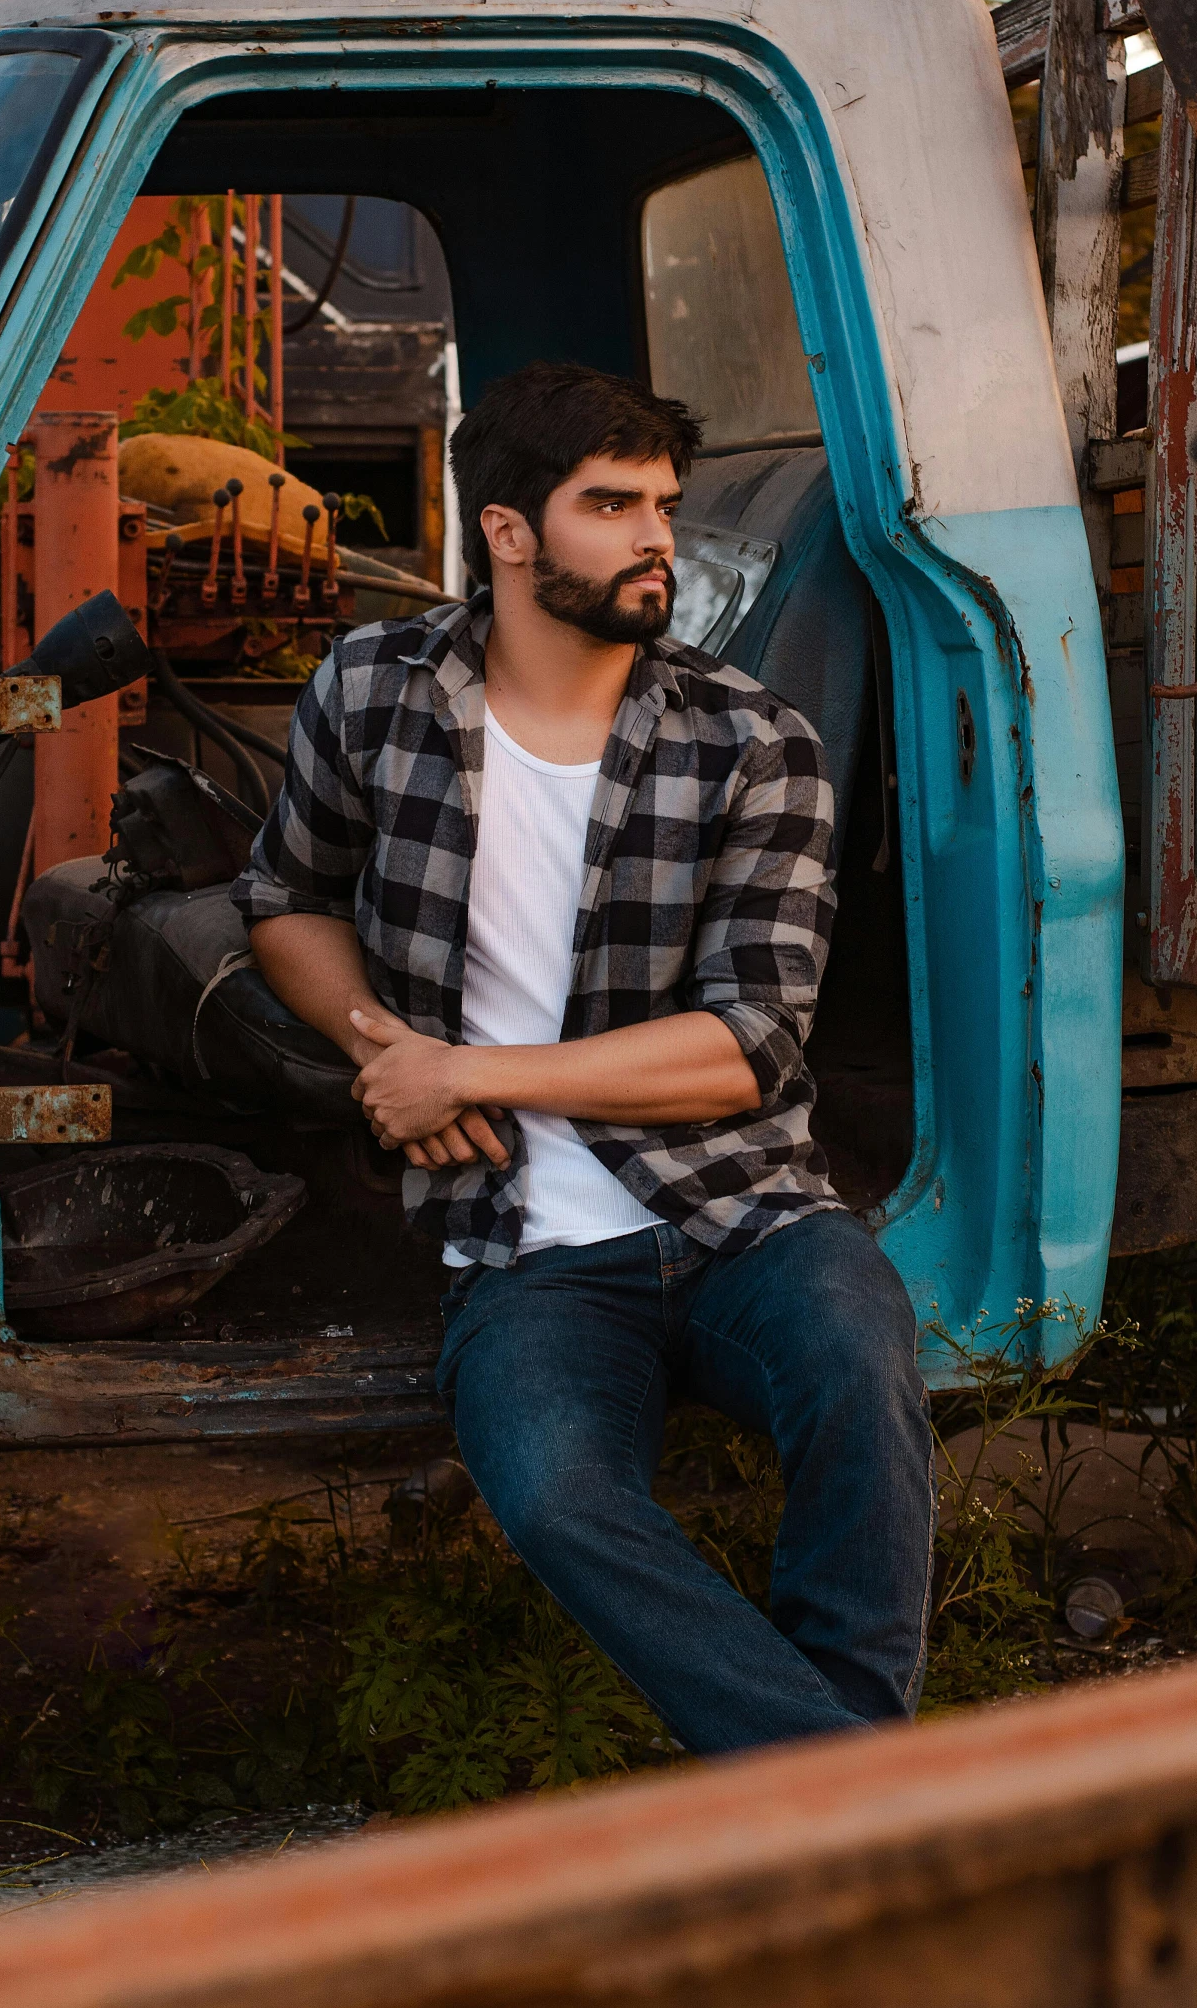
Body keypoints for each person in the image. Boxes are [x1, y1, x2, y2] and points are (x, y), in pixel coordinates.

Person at [231, 361, 933, 1755]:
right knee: (555, 1492)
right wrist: (387, 1052)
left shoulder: (753, 744)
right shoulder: (372, 693)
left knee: (862, 1365)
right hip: (522, 1244)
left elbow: (749, 1046)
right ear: (507, 530)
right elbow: (283, 899)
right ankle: (857, 1784)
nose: (657, 536)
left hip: (742, 1212)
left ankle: (840, 1778)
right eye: (611, 504)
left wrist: (468, 1077)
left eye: (663, 504)